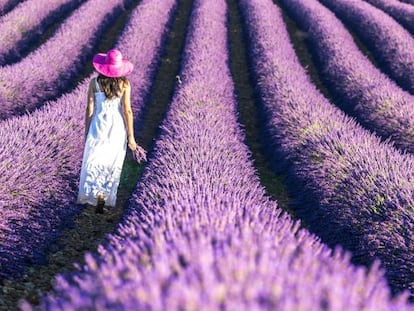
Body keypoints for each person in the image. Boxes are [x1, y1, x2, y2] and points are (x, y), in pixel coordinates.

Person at [77, 49, 137, 214]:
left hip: (98, 126)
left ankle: (94, 195)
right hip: (116, 128)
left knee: (95, 160)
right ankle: (103, 198)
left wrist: (87, 131)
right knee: (112, 162)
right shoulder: (124, 84)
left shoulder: (94, 83)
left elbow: (90, 108)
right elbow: (127, 111)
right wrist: (131, 137)